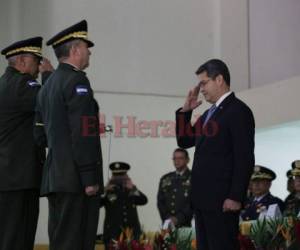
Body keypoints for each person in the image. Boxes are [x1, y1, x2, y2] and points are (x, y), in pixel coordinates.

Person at [34, 20, 103, 250]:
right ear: (75, 51)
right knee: (77, 242)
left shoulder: (48, 84)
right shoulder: (77, 81)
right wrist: (89, 178)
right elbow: (82, 134)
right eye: (86, 46)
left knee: (61, 241)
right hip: (75, 181)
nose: (89, 51)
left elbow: (40, 135)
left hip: (56, 178)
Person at [175, 59, 255, 250]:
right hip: (203, 202)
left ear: (219, 79)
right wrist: (185, 112)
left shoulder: (238, 110)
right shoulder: (209, 114)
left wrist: (235, 196)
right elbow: (185, 141)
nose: (200, 89)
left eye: (204, 83)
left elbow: (244, 157)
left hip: (223, 202)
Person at [0, 37, 53, 250]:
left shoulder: (5, 83)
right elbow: (49, 101)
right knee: (17, 238)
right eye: (36, 60)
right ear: (21, 61)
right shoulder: (21, 84)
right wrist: (50, 76)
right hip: (18, 178)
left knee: (9, 237)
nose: (39, 67)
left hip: (10, 176)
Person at [101, 162, 148, 248]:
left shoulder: (131, 190)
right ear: (112, 176)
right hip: (113, 233)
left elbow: (143, 200)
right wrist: (103, 190)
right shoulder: (108, 191)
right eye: (116, 175)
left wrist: (133, 189)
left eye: (121, 175)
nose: (119, 178)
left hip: (132, 233)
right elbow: (97, 204)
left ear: (126, 176)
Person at [157, 148, 193, 228]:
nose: (177, 161)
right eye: (174, 158)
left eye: (180, 158)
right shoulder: (166, 178)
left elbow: (193, 202)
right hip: (167, 224)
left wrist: (178, 218)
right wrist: (167, 218)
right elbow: (160, 201)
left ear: (187, 160)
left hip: (186, 224)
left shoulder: (193, 178)